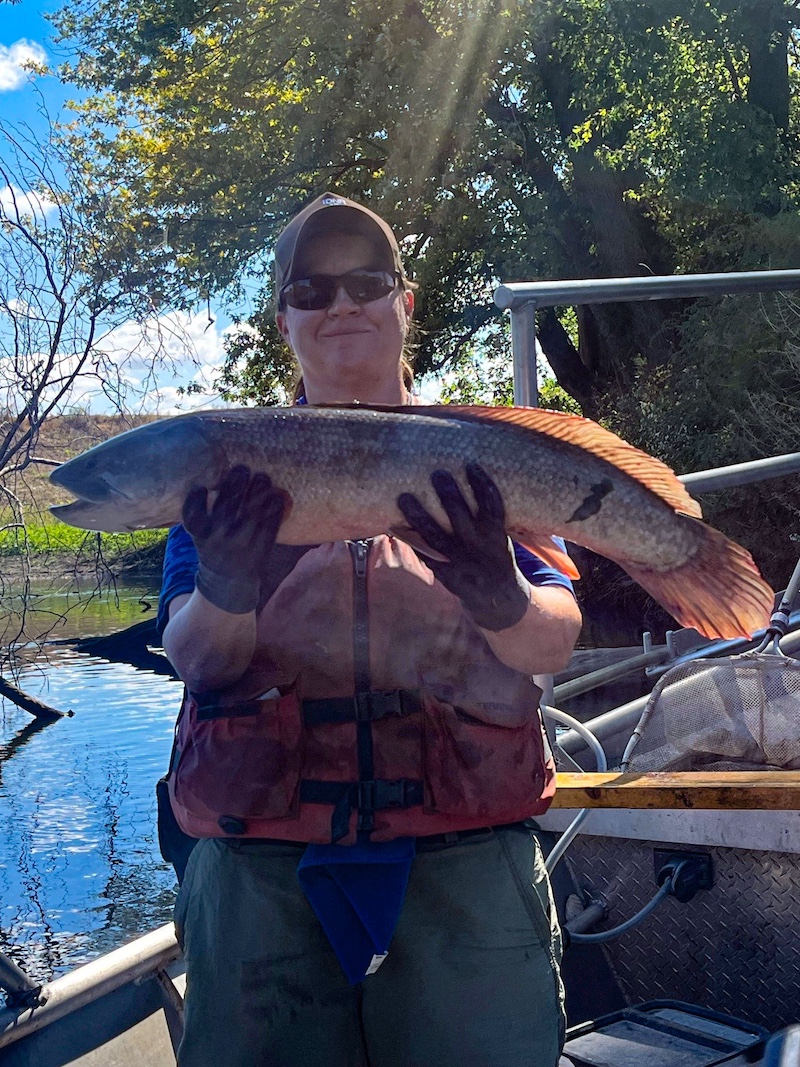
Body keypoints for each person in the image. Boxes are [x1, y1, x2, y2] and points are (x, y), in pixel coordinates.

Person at [156, 192, 583, 1067]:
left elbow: (552, 643)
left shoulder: (481, 458)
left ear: (404, 303)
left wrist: (498, 589)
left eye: (366, 281)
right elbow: (193, 657)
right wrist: (230, 585)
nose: (341, 303)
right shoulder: (224, 473)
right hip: (259, 874)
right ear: (284, 319)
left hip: (463, 864)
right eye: (311, 289)